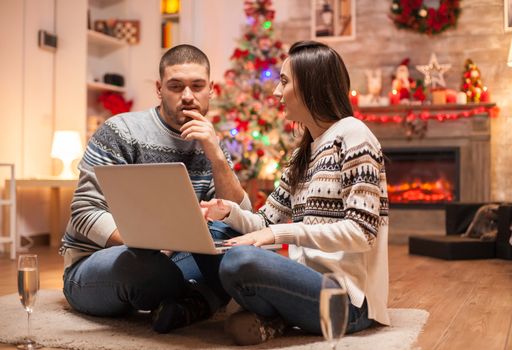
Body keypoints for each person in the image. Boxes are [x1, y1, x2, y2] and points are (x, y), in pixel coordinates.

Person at [200, 41, 390, 346]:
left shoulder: (354, 134)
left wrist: (283, 234)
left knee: (241, 262)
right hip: (307, 285)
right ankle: (281, 317)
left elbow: (361, 233)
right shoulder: (304, 154)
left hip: (350, 302)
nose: (276, 91)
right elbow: (265, 224)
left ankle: (274, 317)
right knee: (219, 236)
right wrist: (226, 211)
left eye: (285, 81)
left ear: (312, 85)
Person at [60, 44, 251, 333]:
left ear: (211, 89)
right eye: (176, 86)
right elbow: (84, 212)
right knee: (147, 269)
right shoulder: (120, 131)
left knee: (239, 249)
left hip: (175, 259)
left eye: (197, 86)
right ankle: (203, 297)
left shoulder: (211, 142)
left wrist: (217, 155)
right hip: (104, 261)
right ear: (160, 89)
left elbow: (239, 217)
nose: (187, 96)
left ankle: (187, 302)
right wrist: (150, 245)